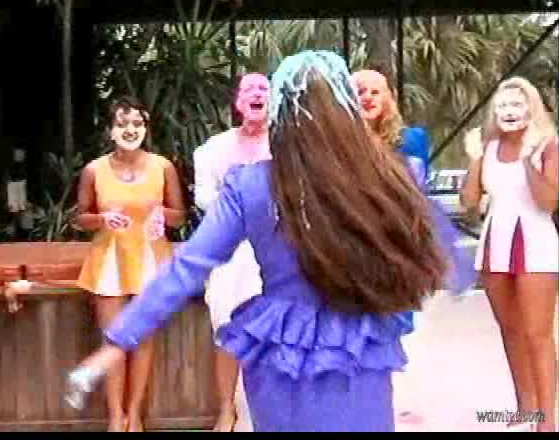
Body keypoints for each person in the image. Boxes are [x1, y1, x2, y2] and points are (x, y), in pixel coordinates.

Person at [67, 51, 474, 432]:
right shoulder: (389, 174)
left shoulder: (251, 185)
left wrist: (120, 338)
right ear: (346, 110)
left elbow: (190, 264)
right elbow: (439, 246)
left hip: (280, 349)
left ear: (280, 112)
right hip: (355, 345)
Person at [74, 95, 186, 432]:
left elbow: (180, 216)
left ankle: (135, 415)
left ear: (146, 128)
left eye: (137, 123)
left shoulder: (163, 167)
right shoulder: (93, 170)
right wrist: (102, 219)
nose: (130, 129)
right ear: (110, 130)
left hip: (151, 259)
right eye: (122, 123)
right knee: (113, 338)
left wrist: (161, 215)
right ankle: (115, 416)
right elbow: (80, 218)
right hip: (109, 259)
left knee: (144, 339)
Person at [461, 77, 558, 432]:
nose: (509, 111)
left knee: (537, 335)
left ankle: (546, 420)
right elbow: (469, 203)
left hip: (536, 243)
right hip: (495, 243)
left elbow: (548, 202)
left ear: (531, 109)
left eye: (517, 104)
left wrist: (529, 160)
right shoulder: (487, 146)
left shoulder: (548, 146)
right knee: (510, 330)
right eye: (503, 105)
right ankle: (525, 407)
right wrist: (474, 159)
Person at [194, 72, 270, 432]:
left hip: (276, 248)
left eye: (264, 88)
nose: (257, 94)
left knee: (274, 329)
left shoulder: (289, 145)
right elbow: (203, 197)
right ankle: (227, 408)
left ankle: (268, 412)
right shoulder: (214, 148)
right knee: (226, 326)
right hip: (230, 249)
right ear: (238, 102)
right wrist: (240, 207)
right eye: (249, 89)